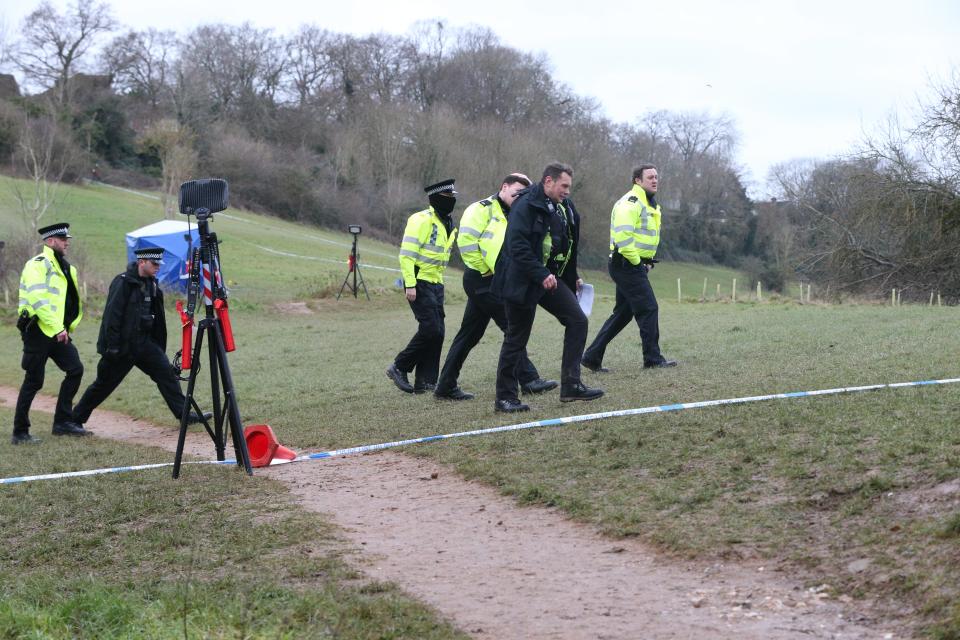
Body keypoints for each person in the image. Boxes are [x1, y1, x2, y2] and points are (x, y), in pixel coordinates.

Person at [434, 173, 557, 400]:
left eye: (523, 194)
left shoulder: (518, 212)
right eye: (516, 192)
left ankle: (445, 386)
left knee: (469, 335)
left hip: (500, 280)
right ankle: (529, 379)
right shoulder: (480, 209)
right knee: (512, 326)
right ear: (504, 187)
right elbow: (467, 244)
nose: (519, 197)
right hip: (482, 279)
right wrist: (486, 271)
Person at [492, 163, 604, 412]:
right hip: (521, 280)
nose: (567, 191)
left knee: (577, 320)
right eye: (563, 186)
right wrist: (541, 273)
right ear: (548, 182)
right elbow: (517, 246)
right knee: (516, 339)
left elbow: (567, 244)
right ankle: (505, 398)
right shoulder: (525, 204)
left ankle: (571, 386)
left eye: (569, 187)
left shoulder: (564, 206)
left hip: (549, 279)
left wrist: (571, 276)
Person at [70, 247, 210, 428]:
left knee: (166, 374)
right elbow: (112, 316)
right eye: (154, 263)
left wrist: (158, 347)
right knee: (103, 385)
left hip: (144, 344)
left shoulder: (152, 284)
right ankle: (75, 419)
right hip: (122, 346)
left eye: (159, 263)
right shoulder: (123, 283)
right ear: (141, 262)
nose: (158, 267)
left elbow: (156, 317)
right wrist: (112, 347)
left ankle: (184, 414)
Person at [582, 165, 678, 372]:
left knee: (623, 313)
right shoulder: (631, 202)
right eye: (650, 177)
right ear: (637, 180)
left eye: (656, 177)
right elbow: (624, 239)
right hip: (626, 263)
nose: (655, 180)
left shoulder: (648, 203)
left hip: (629, 263)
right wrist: (638, 263)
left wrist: (646, 260)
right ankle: (652, 359)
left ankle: (591, 356)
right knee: (649, 307)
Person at [12, 223, 87, 444]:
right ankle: (20, 432)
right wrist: (58, 327)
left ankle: (62, 422)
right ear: (50, 241)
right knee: (34, 381)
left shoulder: (65, 267)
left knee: (75, 369)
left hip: (57, 331)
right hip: (38, 330)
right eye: (63, 239)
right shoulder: (38, 264)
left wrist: (65, 327)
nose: (67, 242)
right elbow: (38, 300)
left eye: (67, 239)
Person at [386, 179, 459, 394]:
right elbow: (406, 255)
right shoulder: (420, 220)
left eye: (453, 196)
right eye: (448, 196)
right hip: (419, 282)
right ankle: (399, 366)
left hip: (436, 283)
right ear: (436, 198)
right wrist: (410, 284)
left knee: (438, 332)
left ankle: (426, 380)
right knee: (431, 330)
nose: (453, 200)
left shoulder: (449, 223)